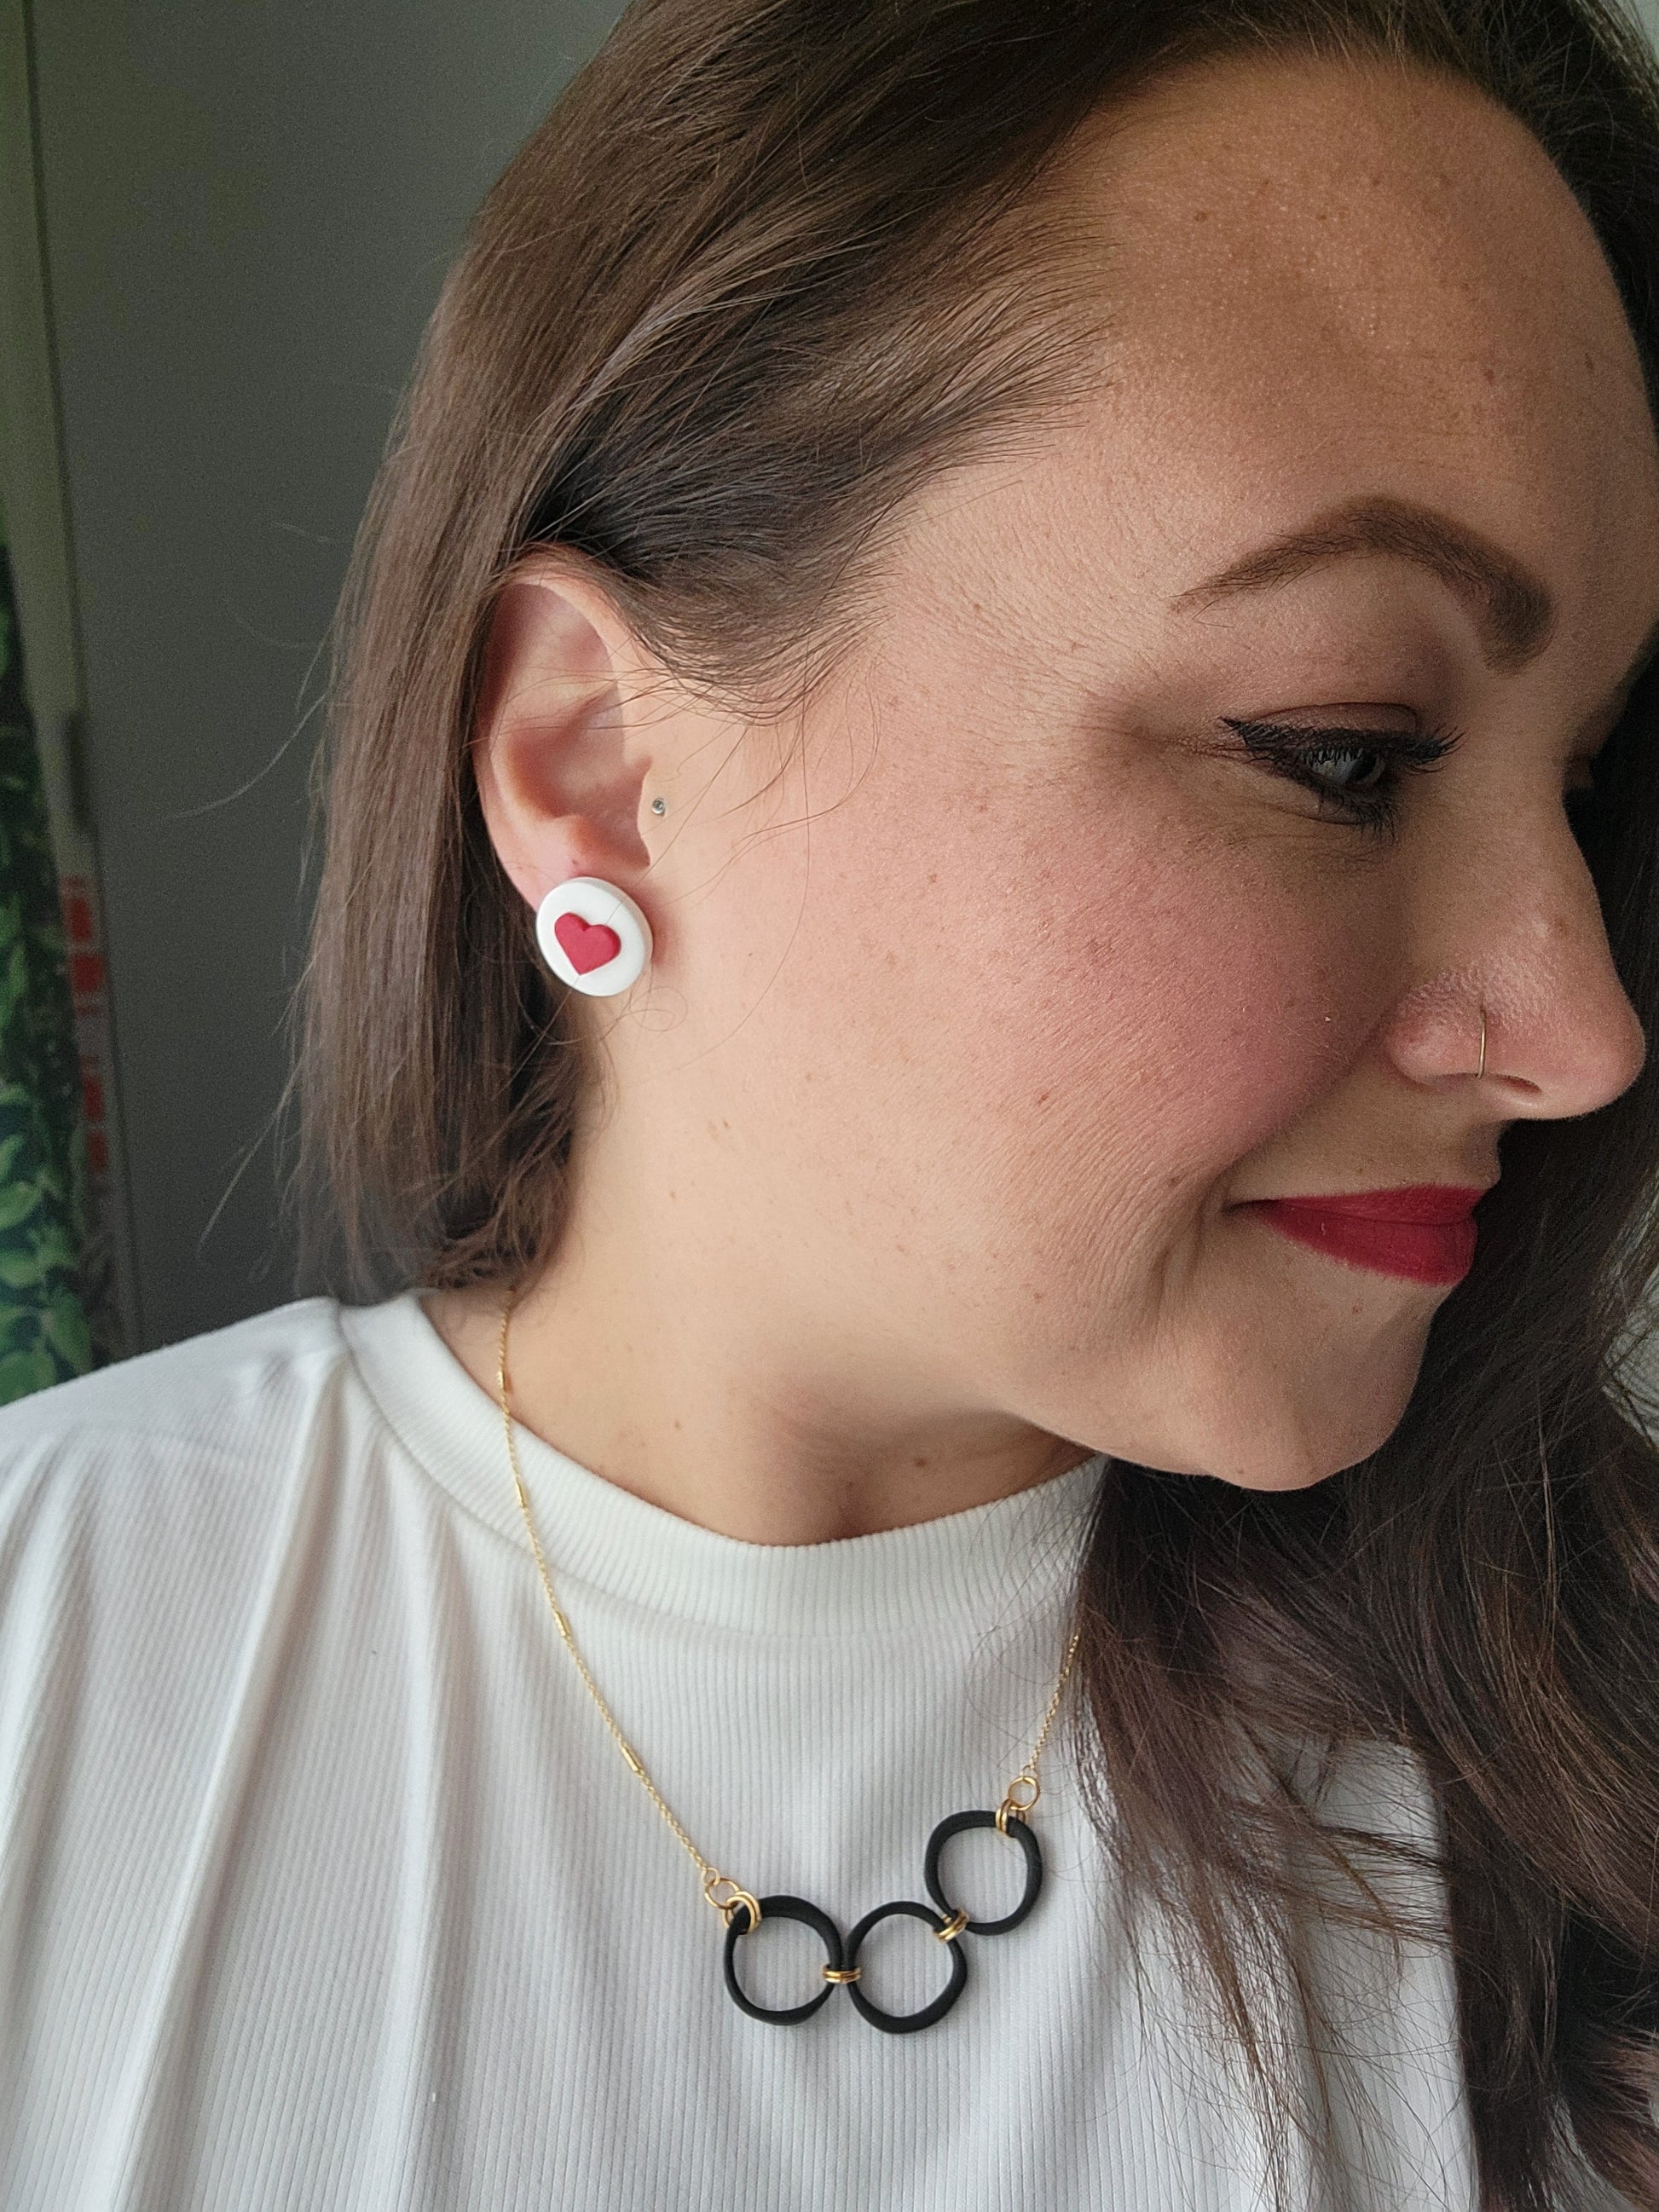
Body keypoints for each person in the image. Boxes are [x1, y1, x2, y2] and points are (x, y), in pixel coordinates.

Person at [3, 0, 1659, 2203]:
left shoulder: (1583, 1762)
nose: (1581, 1030)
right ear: (598, 763)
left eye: (1585, 783)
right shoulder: (50, 1654)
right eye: (1340, 750)